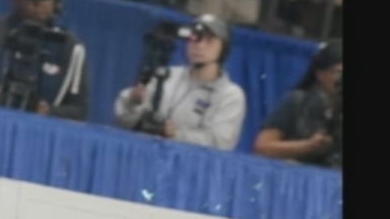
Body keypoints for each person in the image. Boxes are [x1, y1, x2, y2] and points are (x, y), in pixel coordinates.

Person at [112, 13, 246, 150]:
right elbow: (124, 121)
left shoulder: (230, 95)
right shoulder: (166, 76)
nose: (199, 46)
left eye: (209, 40)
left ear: (223, 49)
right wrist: (132, 103)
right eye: (194, 38)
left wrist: (177, 135)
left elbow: (220, 143)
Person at [254, 38, 341, 168]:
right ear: (320, 74)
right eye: (339, 73)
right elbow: (262, 147)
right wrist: (308, 146)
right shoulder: (297, 101)